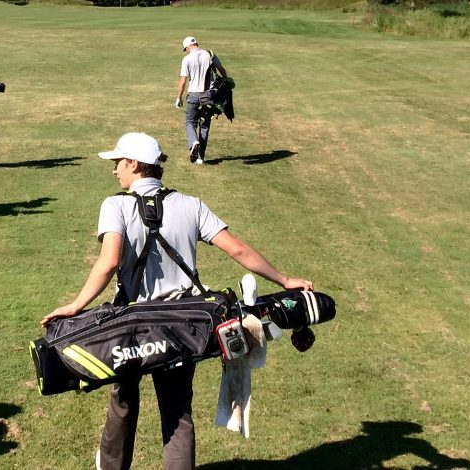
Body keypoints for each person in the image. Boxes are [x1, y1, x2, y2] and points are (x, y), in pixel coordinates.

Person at [40, 132, 313, 470]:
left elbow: (109, 262)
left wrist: (75, 306)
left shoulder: (116, 205)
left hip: (129, 327)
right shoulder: (190, 204)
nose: (114, 171)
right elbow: (237, 249)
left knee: (123, 401)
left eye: (118, 163)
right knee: (178, 413)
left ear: (136, 165)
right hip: (184, 327)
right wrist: (285, 281)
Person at [175, 36, 227, 165]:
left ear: (187, 47)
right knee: (204, 126)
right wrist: (226, 81)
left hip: (193, 95)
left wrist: (179, 97)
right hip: (208, 95)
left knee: (190, 122)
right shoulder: (210, 55)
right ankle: (200, 158)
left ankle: (193, 142)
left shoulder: (186, 59)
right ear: (196, 44)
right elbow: (222, 70)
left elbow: (183, 81)